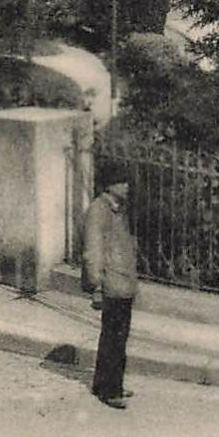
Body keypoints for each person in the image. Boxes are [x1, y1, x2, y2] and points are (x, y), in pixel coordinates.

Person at [82, 164, 138, 409]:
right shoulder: (99, 210)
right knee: (112, 338)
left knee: (119, 337)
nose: (126, 186)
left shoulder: (118, 210)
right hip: (111, 283)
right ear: (109, 185)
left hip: (123, 282)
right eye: (121, 181)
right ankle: (109, 389)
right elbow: (93, 250)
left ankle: (106, 382)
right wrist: (96, 284)